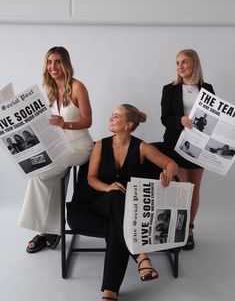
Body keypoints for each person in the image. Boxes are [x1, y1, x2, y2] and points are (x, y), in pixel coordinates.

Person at [87, 103, 178, 301]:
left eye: (117, 116)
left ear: (128, 125)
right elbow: (91, 178)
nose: (111, 118)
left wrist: (167, 174)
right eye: (112, 114)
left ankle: (109, 291)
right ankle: (141, 256)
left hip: (126, 210)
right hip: (100, 201)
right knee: (115, 194)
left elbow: (172, 164)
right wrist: (108, 187)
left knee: (115, 226)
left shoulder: (142, 147)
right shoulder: (100, 145)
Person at [18, 46, 94, 253]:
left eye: (58, 62)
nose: (53, 66)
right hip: (57, 144)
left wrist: (65, 125)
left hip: (79, 145)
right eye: (50, 62)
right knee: (38, 173)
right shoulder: (49, 90)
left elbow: (88, 121)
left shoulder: (78, 87)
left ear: (66, 63)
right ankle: (49, 230)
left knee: (42, 173)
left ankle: (47, 231)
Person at [160, 48, 215, 250]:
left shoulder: (207, 88)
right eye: (177, 63)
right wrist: (179, 121)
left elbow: (213, 118)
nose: (180, 66)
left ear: (194, 64)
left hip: (200, 145)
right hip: (176, 145)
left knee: (194, 188)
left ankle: (189, 229)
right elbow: (164, 118)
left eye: (185, 62)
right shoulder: (169, 89)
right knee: (182, 188)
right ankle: (179, 228)